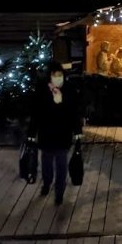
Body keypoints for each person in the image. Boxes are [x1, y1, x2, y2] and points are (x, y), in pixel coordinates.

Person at [27, 61, 83, 206]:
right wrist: (32, 132)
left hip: (63, 133)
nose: (57, 77)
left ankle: (59, 191)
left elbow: (74, 112)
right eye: (54, 75)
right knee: (46, 162)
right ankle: (47, 183)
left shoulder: (69, 90)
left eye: (59, 75)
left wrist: (77, 130)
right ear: (50, 76)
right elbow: (36, 113)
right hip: (46, 132)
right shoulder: (42, 90)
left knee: (61, 164)